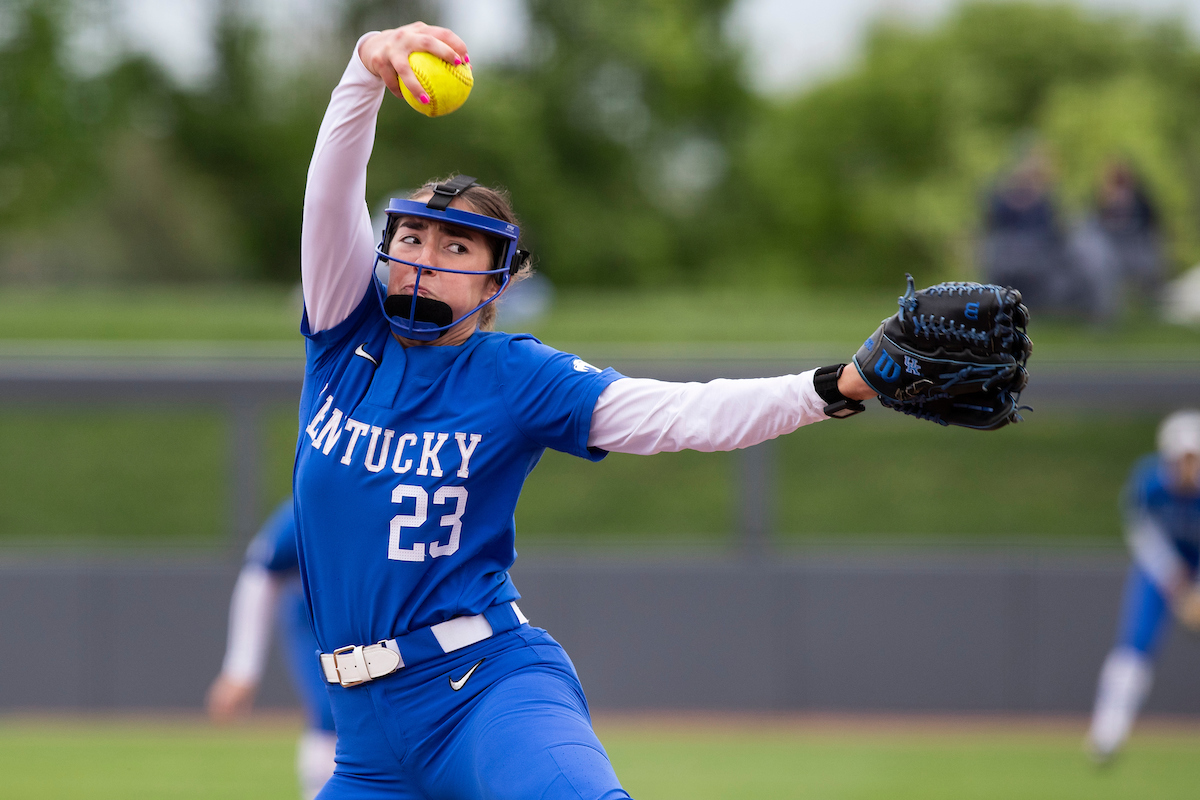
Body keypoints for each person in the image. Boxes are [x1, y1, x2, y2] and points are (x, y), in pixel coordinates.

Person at [296, 21, 881, 799]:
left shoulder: (511, 374)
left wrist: (836, 386)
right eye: (411, 236)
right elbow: (331, 194)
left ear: (497, 281)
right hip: (365, 743)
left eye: (456, 247)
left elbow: (682, 415)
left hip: (483, 692)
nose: (424, 259)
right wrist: (365, 70)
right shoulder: (343, 333)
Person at [1087, 410, 1200, 763]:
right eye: (1183, 458)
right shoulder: (1149, 484)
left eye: (1194, 458)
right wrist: (1174, 578)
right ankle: (1107, 734)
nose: (1188, 466)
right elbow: (1141, 532)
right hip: (1161, 567)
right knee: (1134, 645)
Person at [207, 498, 337, 800]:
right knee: (330, 712)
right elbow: (262, 570)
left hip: (390, 623)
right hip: (319, 622)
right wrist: (241, 668)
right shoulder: (315, 501)